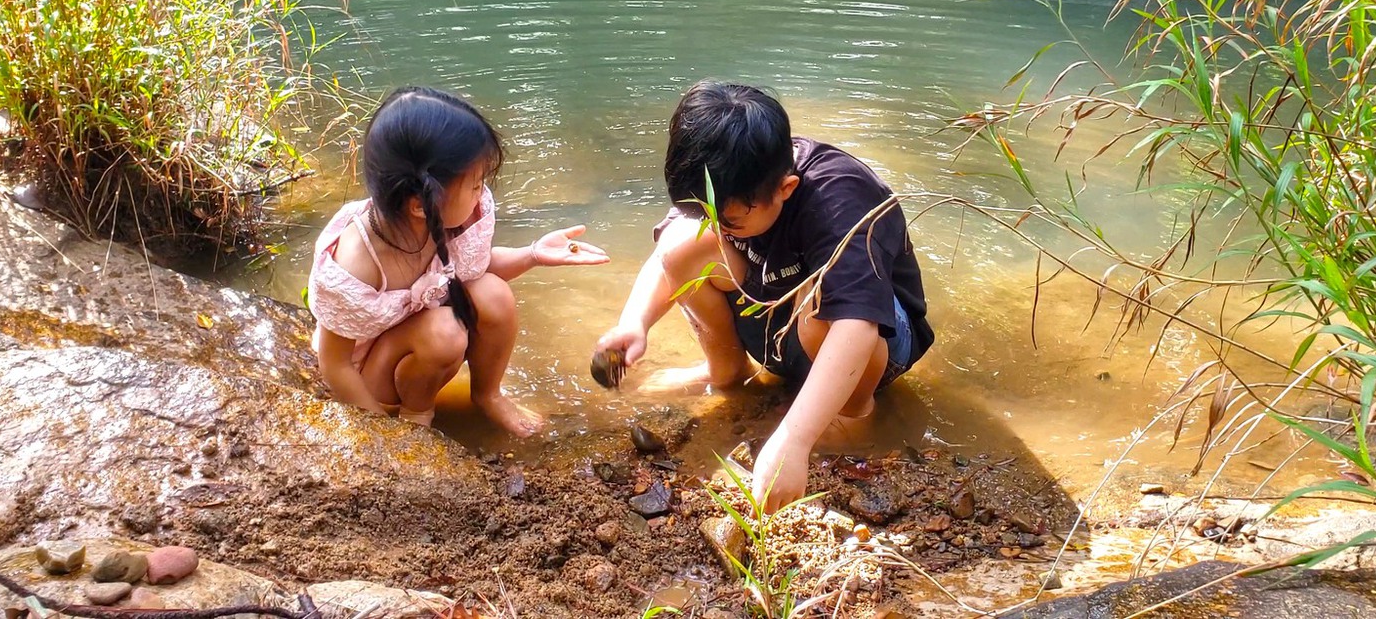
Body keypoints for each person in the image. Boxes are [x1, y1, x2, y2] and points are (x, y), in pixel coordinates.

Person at [594, 81, 934, 510]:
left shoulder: (839, 196)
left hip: (869, 341)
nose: (715, 225)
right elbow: (669, 258)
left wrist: (795, 439)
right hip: (781, 318)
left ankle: (852, 414)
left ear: (786, 189)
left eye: (729, 221)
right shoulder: (721, 175)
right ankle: (726, 373)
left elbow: (857, 325)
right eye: (705, 213)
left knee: (823, 296)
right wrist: (635, 322)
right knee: (685, 243)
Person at [308, 86, 608, 436]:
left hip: (419, 340)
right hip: (372, 373)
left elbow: (474, 269)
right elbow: (335, 365)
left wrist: (533, 254)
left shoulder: (446, 219)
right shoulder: (358, 262)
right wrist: (382, 439)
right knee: (445, 332)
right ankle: (416, 419)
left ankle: (488, 395)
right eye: (475, 185)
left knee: (492, 293)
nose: (482, 193)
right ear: (419, 205)